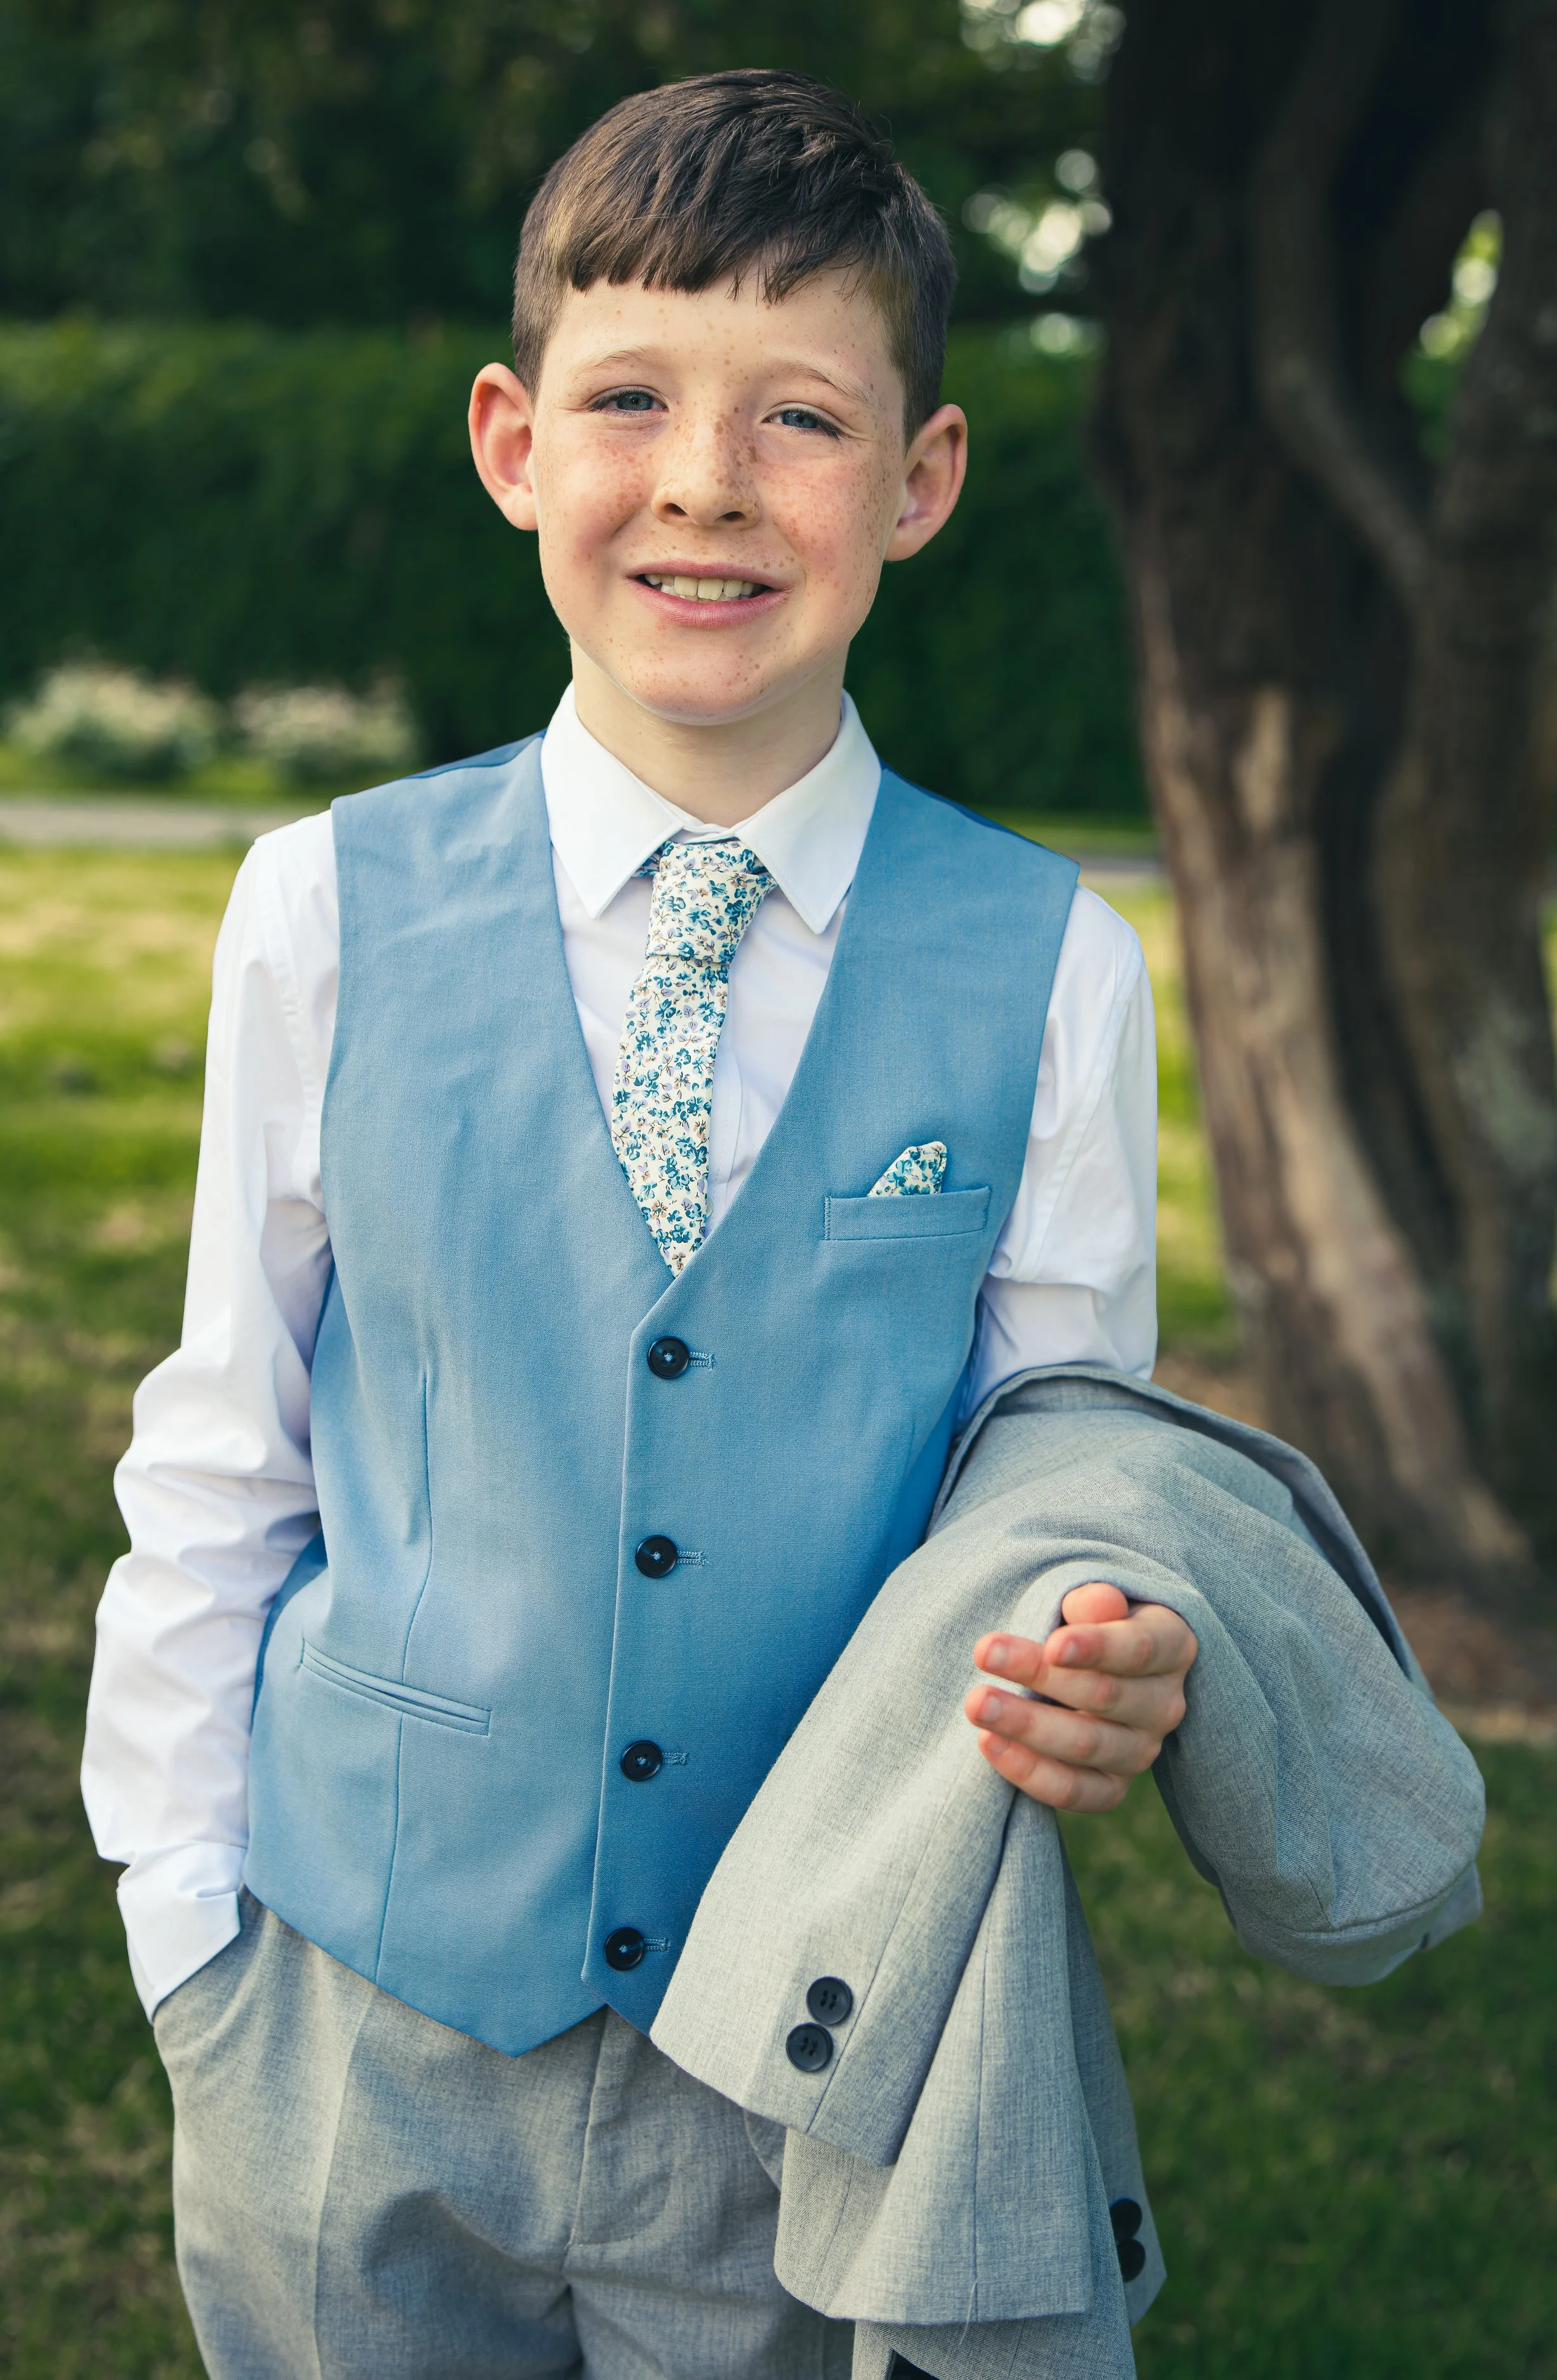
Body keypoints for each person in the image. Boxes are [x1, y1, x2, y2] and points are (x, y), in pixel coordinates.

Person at [82, 70, 1199, 2378]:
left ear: (919, 481)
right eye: (628, 400)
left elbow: (1061, 1496)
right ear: (513, 446)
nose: (703, 481)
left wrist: (1112, 1646)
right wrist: (187, 1932)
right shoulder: (322, 905)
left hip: (807, 2058)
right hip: (354, 2030)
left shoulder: (1051, 968)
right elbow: (226, 1445)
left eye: (800, 415)